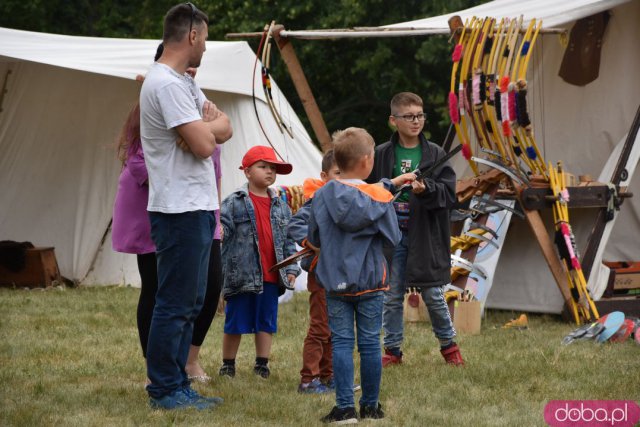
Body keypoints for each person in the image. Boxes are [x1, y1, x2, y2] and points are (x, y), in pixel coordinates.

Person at [139, 3, 232, 410]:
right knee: (175, 303)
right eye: (206, 39)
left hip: (194, 206)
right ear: (192, 35)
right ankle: (164, 388)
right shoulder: (167, 84)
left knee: (190, 302)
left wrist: (202, 128)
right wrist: (201, 131)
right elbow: (204, 144)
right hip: (178, 209)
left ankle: (177, 383)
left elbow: (222, 127)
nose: (206, 48)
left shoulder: (182, 83)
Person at [112, 50, 224, 388]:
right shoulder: (155, 98)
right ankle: (159, 371)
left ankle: (188, 359)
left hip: (202, 207)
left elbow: (221, 132)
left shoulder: (197, 102)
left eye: (194, 65)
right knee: (162, 291)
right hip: (161, 210)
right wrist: (194, 142)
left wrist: (199, 134)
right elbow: (139, 161)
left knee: (207, 288)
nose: (192, 68)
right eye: (187, 62)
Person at [307, 128, 401, 424]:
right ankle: (370, 406)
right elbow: (394, 238)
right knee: (371, 343)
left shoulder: (321, 196)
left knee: (343, 343)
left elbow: (313, 236)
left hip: (335, 280)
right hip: (372, 280)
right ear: (366, 161)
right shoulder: (380, 196)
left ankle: (345, 407)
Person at [366, 92, 464, 367]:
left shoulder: (435, 153)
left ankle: (449, 347)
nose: (416, 121)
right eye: (409, 116)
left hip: (426, 234)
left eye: (420, 115)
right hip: (390, 234)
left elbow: (448, 194)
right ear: (393, 120)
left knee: (433, 293)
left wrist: (425, 189)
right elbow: (370, 191)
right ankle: (392, 350)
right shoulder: (382, 154)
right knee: (392, 295)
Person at [219, 145, 300, 380]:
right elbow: (222, 227)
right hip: (241, 274)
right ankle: (228, 364)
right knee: (235, 321)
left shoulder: (282, 207)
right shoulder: (234, 202)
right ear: (247, 171)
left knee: (266, 321)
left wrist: (292, 268)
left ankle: (262, 364)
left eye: (273, 168)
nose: (269, 172)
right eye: (263, 167)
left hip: (271, 275)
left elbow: (288, 242)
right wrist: (220, 231)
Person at [287, 150, 340, 394]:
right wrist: (312, 244)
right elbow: (296, 223)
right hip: (321, 273)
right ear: (324, 175)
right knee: (320, 327)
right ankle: (309, 379)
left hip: (341, 275)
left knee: (334, 328)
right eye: (337, 174)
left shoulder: (350, 199)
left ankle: (328, 376)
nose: (342, 179)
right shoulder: (318, 199)